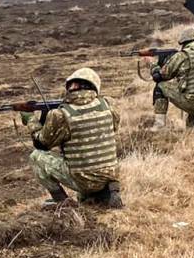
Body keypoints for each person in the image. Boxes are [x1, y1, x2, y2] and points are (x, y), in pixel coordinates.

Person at [25, 67, 123, 208]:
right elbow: (113, 128)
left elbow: (41, 144)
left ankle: (63, 203)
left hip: (83, 178)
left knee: (36, 157)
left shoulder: (60, 114)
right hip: (110, 174)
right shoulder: (108, 105)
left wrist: (31, 120)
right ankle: (107, 191)